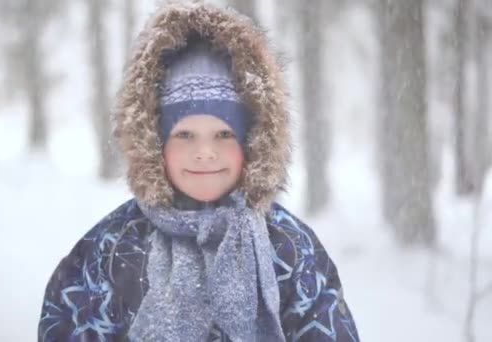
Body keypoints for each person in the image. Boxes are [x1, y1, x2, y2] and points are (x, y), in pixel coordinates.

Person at [38, 2, 359, 341]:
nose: (205, 153)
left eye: (224, 134)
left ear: (252, 142)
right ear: (154, 144)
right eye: (185, 135)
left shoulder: (289, 248)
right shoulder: (112, 248)